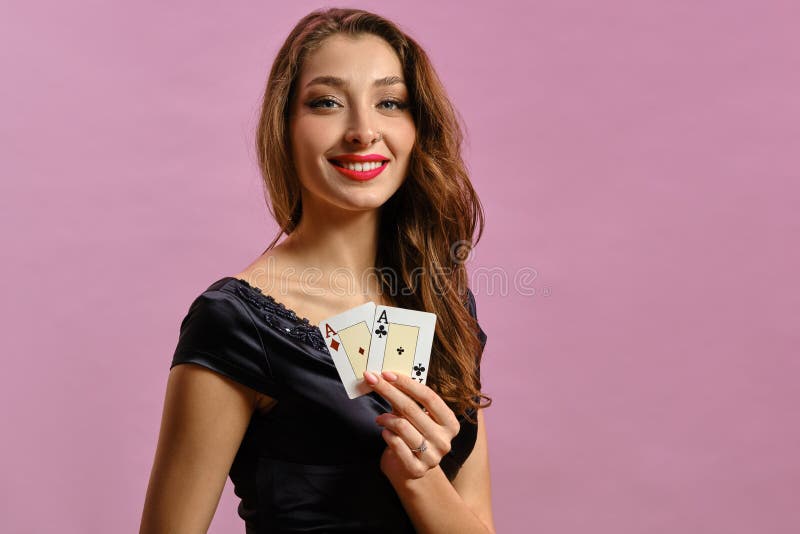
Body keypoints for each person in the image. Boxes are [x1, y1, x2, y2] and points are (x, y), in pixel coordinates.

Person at [140, 7, 494, 534]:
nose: (362, 131)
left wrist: (419, 479)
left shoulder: (441, 300)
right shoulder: (233, 324)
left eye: (390, 103)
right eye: (326, 102)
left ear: (417, 127)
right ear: (285, 125)